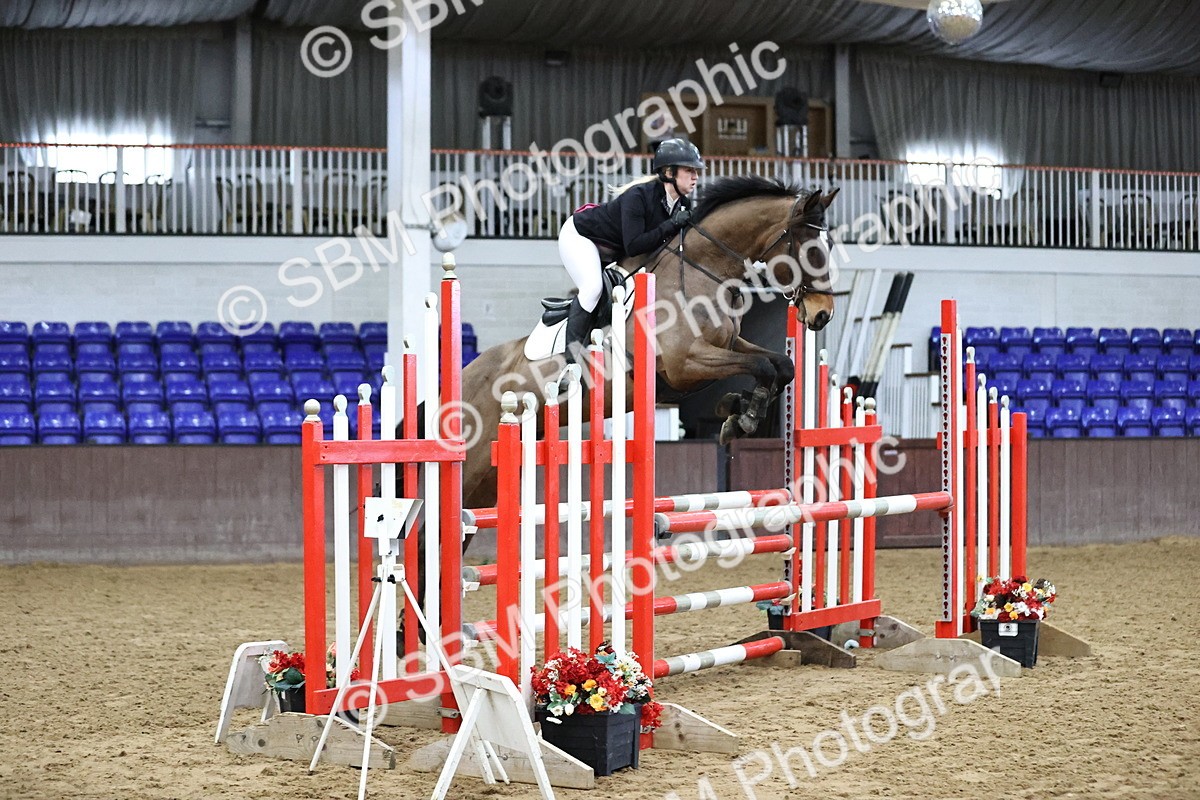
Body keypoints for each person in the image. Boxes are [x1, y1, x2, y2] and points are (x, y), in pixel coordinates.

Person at [557, 138, 704, 362]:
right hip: (582, 237)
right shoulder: (638, 197)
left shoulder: (683, 205)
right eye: (689, 170)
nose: (695, 176)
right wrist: (672, 224)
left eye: (696, 171)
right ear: (669, 172)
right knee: (593, 288)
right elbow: (634, 246)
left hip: (614, 251)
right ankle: (570, 361)